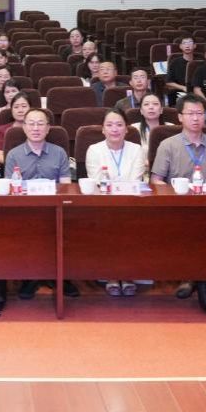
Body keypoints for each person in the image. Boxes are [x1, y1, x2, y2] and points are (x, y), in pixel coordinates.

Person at [151, 94, 206, 300]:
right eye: (190, 113)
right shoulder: (168, 145)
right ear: (180, 117)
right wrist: (177, 194)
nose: (196, 118)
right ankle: (190, 276)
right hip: (178, 207)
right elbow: (156, 181)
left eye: (200, 113)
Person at [6, 109, 75, 299]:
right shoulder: (13, 155)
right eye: (31, 123)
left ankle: (61, 276)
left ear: (48, 128)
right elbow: (12, 188)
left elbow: (66, 185)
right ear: (24, 127)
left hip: (55, 208)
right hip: (25, 211)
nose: (35, 128)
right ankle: (30, 276)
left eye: (40, 123)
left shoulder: (59, 152)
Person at [84, 109, 149, 297]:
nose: (114, 129)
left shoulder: (136, 149)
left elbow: (135, 180)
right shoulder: (94, 150)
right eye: (110, 125)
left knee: (131, 224)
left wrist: (115, 183)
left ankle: (127, 275)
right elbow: (97, 181)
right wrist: (119, 183)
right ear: (103, 129)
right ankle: (111, 274)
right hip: (102, 205)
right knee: (108, 223)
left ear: (126, 129)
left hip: (131, 204)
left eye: (119, 125)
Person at [0, 91, 32, 163]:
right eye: (16, 107)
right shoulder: (2, 129)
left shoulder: (36, 128)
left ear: (30, 109)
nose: (20, 110)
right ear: (11, 110)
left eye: (24, 106)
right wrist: (17, 164)